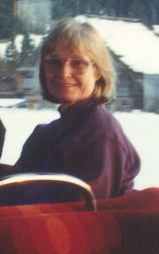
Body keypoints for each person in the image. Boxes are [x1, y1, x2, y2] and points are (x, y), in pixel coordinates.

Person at [14, 18, 141, 199]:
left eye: (78, 63)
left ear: (97, 71)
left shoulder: (102, 133)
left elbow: (85, 210)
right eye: (54, 62)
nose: (64, 73)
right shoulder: (44, 135)